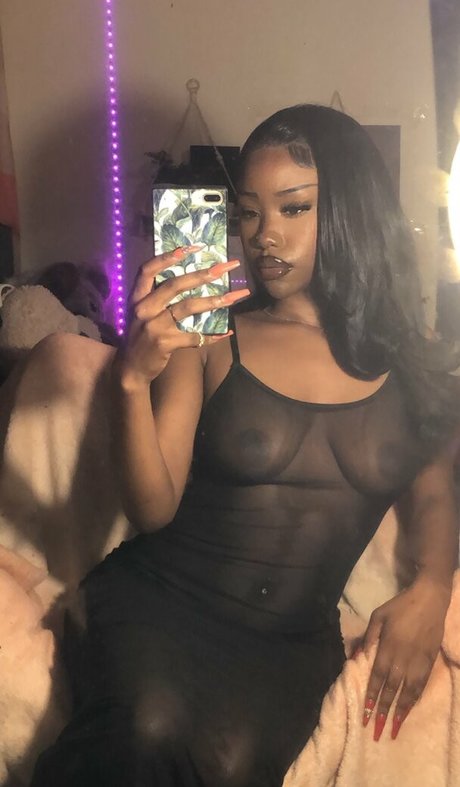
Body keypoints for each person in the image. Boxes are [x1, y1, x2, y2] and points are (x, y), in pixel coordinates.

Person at [31, 104, 459, 787]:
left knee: (231, 764)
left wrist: (433, 587)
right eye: (250, 213)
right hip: (163, 596)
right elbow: (153, 508)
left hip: (289, 641)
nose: (264, 235)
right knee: (149, 725)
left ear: (352, 210)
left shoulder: (413, 364)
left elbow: (436, 492)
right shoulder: (212, 335)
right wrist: (132, 380)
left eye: (294, 208)